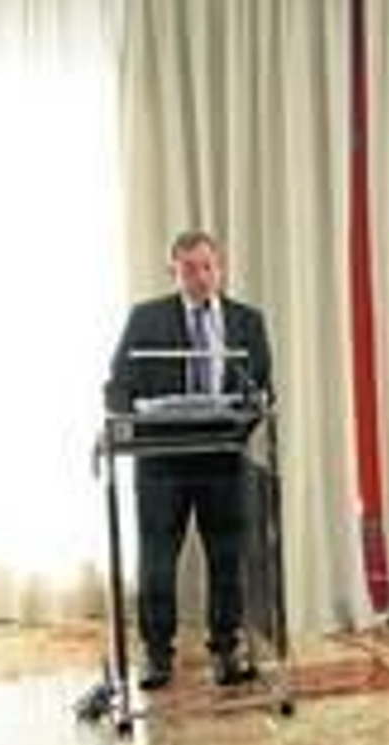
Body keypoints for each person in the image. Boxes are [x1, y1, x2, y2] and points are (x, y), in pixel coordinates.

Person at [107, 230, 274, 690]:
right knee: (158, 560)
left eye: (207, 267)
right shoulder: (146, 318)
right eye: (189, 269)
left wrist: (243, 419)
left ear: (220, 268)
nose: (200, 277)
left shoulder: (247, 322)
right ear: (173, 272)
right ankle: (157, 654)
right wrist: (129, 418)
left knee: (227, 559)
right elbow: (118, 385)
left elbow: (262, 388)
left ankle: (226, 649)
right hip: (162, 461)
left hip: (222, 458)